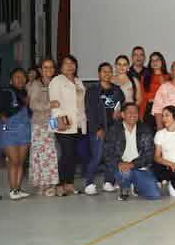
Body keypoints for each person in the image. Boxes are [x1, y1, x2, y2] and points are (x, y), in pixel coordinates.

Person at [103, 102, 160, 201]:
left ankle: (136, 185)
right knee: (126, 173)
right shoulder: (114, 129)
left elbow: (149, 154)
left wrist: (132, 164)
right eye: (130, 112)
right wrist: (119, 163)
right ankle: (124, 187)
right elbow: (108, 152)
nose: (133, 114)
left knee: (154, 195)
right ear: (123, 115)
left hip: (139, 167)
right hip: (122, 167)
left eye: (136, 112)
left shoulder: (145, 129)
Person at [83, 62, 125, 195]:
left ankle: (109, 182)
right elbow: (89, 112)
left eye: (109, 71)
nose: (107, 74)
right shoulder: (92, 91)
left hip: (114, 129)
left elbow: (122, 107)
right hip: (99, 129)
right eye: (104, 71)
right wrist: (97, 129)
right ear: (99, 74)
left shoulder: (117, 90)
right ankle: (89, 183)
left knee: (112, 157)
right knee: (97, 156)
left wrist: (120, 114)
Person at [50, 55, 88, 197]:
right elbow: (54, 103)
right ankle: (59, 185)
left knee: (72, 156)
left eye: (72, 63)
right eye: (66, 63)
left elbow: (81, 103)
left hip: (77, 123)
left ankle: (69, 184)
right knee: (65, 155)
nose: (70, 66)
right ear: (61, 66)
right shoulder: (57, 81)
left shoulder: (78, 81)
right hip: (62, 124)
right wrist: (60, 120)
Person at [0, 68, 31, 200]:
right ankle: (12, 190)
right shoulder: (5, 92)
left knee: (21, 162)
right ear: (11, 80)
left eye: (23, 77)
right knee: (14, 161)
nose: (20, 79)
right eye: (17, 77)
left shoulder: (25, 93)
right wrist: (22, 104)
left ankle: (18, 189)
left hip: (24, 131)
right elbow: (3, 111)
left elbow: (29, 112)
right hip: (9, 131)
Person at [27, 58, 59, 197]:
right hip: (39, 123)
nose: (48, 70)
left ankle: (49, 183)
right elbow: (32, 105)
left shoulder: (55, 83)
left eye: (51, 67)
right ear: (40, 70)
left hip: (53, 122)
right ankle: (42, 184)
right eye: (45, 67)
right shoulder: (35, 84)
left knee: (52, 153)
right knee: (40, 154)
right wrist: (48, 106)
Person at [140, 52, 169, 129]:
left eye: (157, 60)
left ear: (162, 62)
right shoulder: (145, 77)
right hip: (148, 109)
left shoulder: (168, 77)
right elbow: (143, 97)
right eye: (152, 60)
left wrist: (164, 83)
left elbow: (170, 97)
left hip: (164, 110)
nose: (154, 62)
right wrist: (141, 114)